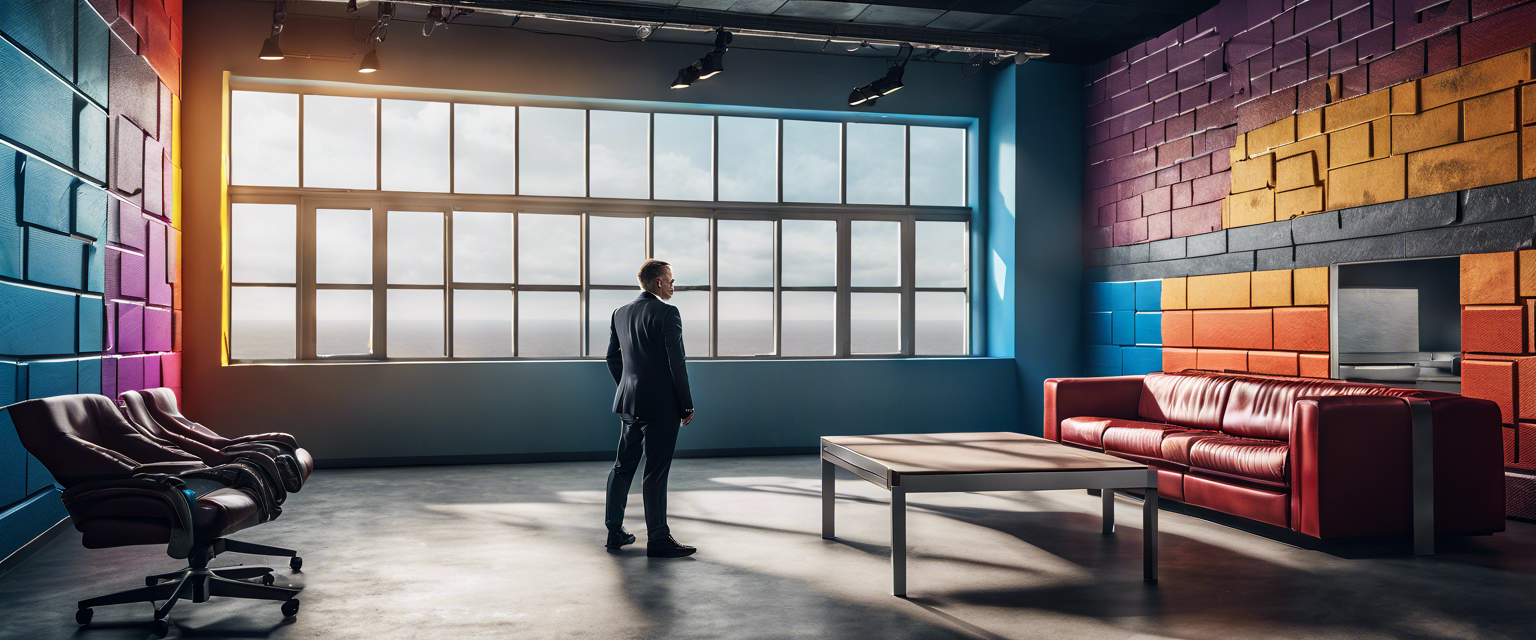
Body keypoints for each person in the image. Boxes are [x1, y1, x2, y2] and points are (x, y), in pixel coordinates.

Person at [603, 259, 697, 558]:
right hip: (661, 407)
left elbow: (612, 358)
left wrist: (629, 386)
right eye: (670, 279)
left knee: (622, 466)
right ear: (658, 282)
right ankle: (657, 539)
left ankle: (614, 533)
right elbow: (676, 363)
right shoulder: (667, 313)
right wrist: (686, 405)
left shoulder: (620, 313)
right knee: (655, 472)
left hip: (629, 402)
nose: (673, 285)